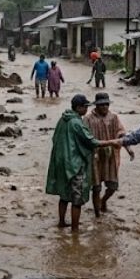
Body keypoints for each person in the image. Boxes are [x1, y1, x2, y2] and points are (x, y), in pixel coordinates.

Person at [45, 94, 111, 232]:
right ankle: (75, 231)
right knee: (77, 200)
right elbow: (91, 141)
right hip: (74, 165)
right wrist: (112, 142)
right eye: (85, 107)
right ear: (79, 107)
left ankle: (62, 222)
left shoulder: (63, 119)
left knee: (63, 195)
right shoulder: (76, 123)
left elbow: (55, 138)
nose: (87, 109)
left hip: (61, 163)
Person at [84, 92, 134, 216]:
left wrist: (129, 149)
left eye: (106, 104)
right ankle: (97, 215)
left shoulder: (114, 118)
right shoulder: (88, 119)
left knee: (112, 186)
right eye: (102, 105)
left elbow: (122, 134)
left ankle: (103, 200)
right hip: (95, 157)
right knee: (96, 187)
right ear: (96, 105)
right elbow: (84, 137)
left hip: (111, 156)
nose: (105, 107)